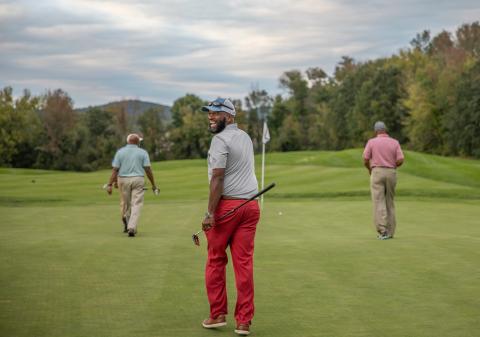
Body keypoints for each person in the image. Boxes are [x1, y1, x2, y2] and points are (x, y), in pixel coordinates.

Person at [200, 97, 260, 336]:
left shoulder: (219, 140)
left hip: (227, 208)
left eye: (216, 113)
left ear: (230, 116)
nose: (211, 117)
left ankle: (217, 315)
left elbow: (218, 178)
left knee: (215, 259)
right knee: (243, 264)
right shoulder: (244, 136)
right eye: (210, 113)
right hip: (250, 206)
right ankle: (244, 321)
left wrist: (209, 213)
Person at [105, 133, 159, 237]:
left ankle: (129, 223)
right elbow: (148, 169)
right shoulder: (143, 152)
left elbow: (115, 170)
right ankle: (132, 226)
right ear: (138, 142)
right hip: (138, 179)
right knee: (136, 203)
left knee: (127, 203)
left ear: (128, 141)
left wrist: (110, 184)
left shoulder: (120, 152)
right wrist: (153, 184)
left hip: (123, 180)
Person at [363, 121, 404, 240]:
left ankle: (383, 231)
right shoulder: (394, 142)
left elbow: (365, 159)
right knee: (389, 202)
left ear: (376, 131)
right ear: (385, 130)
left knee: (378, 201)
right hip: (391, 172)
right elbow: (401, 159)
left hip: (377, 171)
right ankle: (390, 232)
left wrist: (369, 169)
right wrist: (393, 166)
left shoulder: (372, 142)